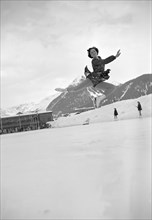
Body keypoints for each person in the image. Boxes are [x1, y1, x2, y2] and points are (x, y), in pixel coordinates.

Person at [55, 47, 121, 95]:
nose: (93, 53)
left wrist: (104, 73)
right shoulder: (95, 61)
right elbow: (104, 61)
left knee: (112, 87)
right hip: (92, 80)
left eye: (94, 51)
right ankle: (65, 90)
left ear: (97, 52)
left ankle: (99, 99)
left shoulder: (100, 59)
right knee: (77, 88)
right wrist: (115, 56)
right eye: (91, 52)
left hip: (98, 81)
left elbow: (102, 64)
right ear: (90, 55)